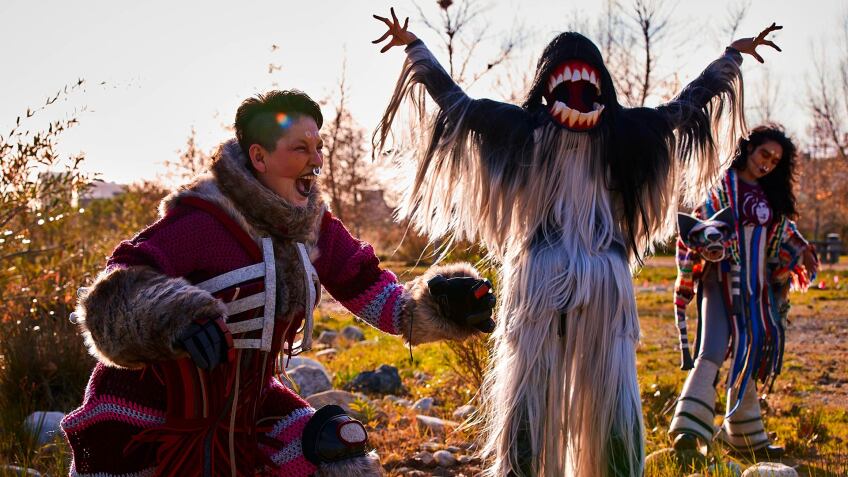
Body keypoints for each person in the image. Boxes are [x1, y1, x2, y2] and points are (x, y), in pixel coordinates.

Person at [372, 7, 781, 477]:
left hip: (598, 286)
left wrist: (730, 59)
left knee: (611, 398)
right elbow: (457, 104)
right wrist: (416, 49)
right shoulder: (522, 132)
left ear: (602, 86)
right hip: (545, 283)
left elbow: (686, 108)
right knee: (530, 394)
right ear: (546, 87)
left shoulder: (625, 136)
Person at [61, 89, 496, 477]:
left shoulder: (314, 225)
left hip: (248, 409)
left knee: (337, 449)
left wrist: (443, 305)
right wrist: (175, 315)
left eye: (319, 147)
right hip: (149, 412)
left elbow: (370, 289)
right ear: (259, 157)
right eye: (300, 148)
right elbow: (116, 292)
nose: (317, 160)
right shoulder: (202, 221)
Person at [670, 125, 818, 458]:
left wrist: (802, 249)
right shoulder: (720, 186)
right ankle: (688, 431)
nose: (768, 163)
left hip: (756, 289)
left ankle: (745, 438)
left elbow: (782, 234)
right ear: (749, 148)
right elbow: (700, 225)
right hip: (720, 283)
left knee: (749, 352)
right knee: (712, 348)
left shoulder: (769, 196)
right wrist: (712, 243)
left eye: (775, 161)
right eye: (765, 154)